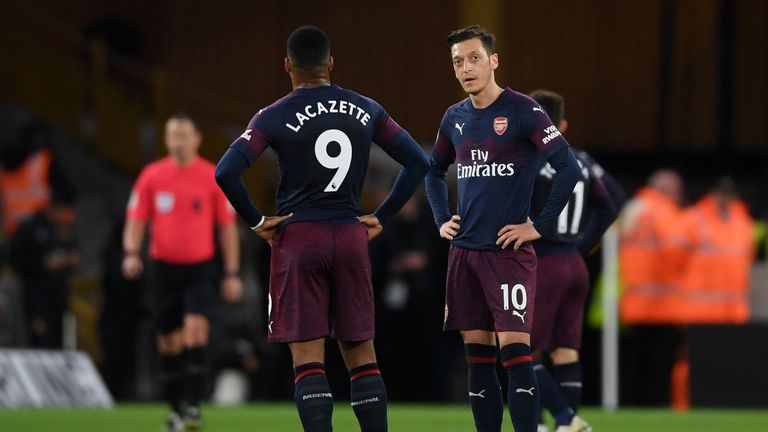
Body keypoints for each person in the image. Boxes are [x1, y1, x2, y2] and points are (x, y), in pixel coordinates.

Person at [215, 25, 429, 432]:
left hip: (299, 239)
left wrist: (257, 221)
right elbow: (418, 161)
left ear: (287, 66)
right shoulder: (367, 108)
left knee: (309, 358)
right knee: (362, 355)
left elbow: (227, 171)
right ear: (331, 63)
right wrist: (382, 216)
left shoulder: (272, 115)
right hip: (350, 236)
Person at [425, 26, 580, 432]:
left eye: (474, 58)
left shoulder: (523, 110)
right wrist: (442, 218)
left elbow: (569, 167)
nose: (466, 68)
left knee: (516, 356)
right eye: (458, 61)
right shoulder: (454, 117)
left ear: (494, 60)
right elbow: (433, 171)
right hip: (465, 254)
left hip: (508, 256)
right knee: (477, 358)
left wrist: (539, 226)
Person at [122, 114, 243, 431]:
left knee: (195, 331)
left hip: (200, 270)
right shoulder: (152, 175)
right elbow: (136, 218)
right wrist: (131, 253)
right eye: (172, 136)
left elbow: (227, 230)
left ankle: (192, 409)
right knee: (169, 343)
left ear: (196, 139)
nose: (177, 142)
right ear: (166, 141)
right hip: (164, 271)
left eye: (183, 135)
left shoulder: (211, 176)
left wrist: (231, 272)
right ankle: (176, 410)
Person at [527, 90, 619, 432]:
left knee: (522, 349)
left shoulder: (531, 158)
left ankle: (557, 419)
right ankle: (566, 426)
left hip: (543, 261)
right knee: (566, 350)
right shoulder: (579, 160)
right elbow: (611, 205)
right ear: (561, 123)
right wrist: (579, 248)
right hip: (573, 263)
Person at [618, 169, 686, 406]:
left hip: (634, 302)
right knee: (658, 367)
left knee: (634, 362)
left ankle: (630, 405)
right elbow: (678, 251)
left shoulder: (634, 208)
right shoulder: (663, 210)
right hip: (662, 305)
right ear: (669, 190)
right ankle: (654, 406)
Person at [678, 177, 755, 323]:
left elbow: (747, 257)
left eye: (729, 194)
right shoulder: (693, 218)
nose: (725, 199)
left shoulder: (743, 221)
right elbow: (676, 258)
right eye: (722, 193)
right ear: (712, 194)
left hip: (734, 310)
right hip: (700, 310)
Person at [8, 190, 78, 349]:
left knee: (59, 342)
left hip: (59, 296)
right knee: (40, 340)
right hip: (37, 297)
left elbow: (73, 251)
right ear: (51, 207)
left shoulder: (61, 229)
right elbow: (15, 258)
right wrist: (42, 263)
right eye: (60, 210)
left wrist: (69, 259)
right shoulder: (30, 227)